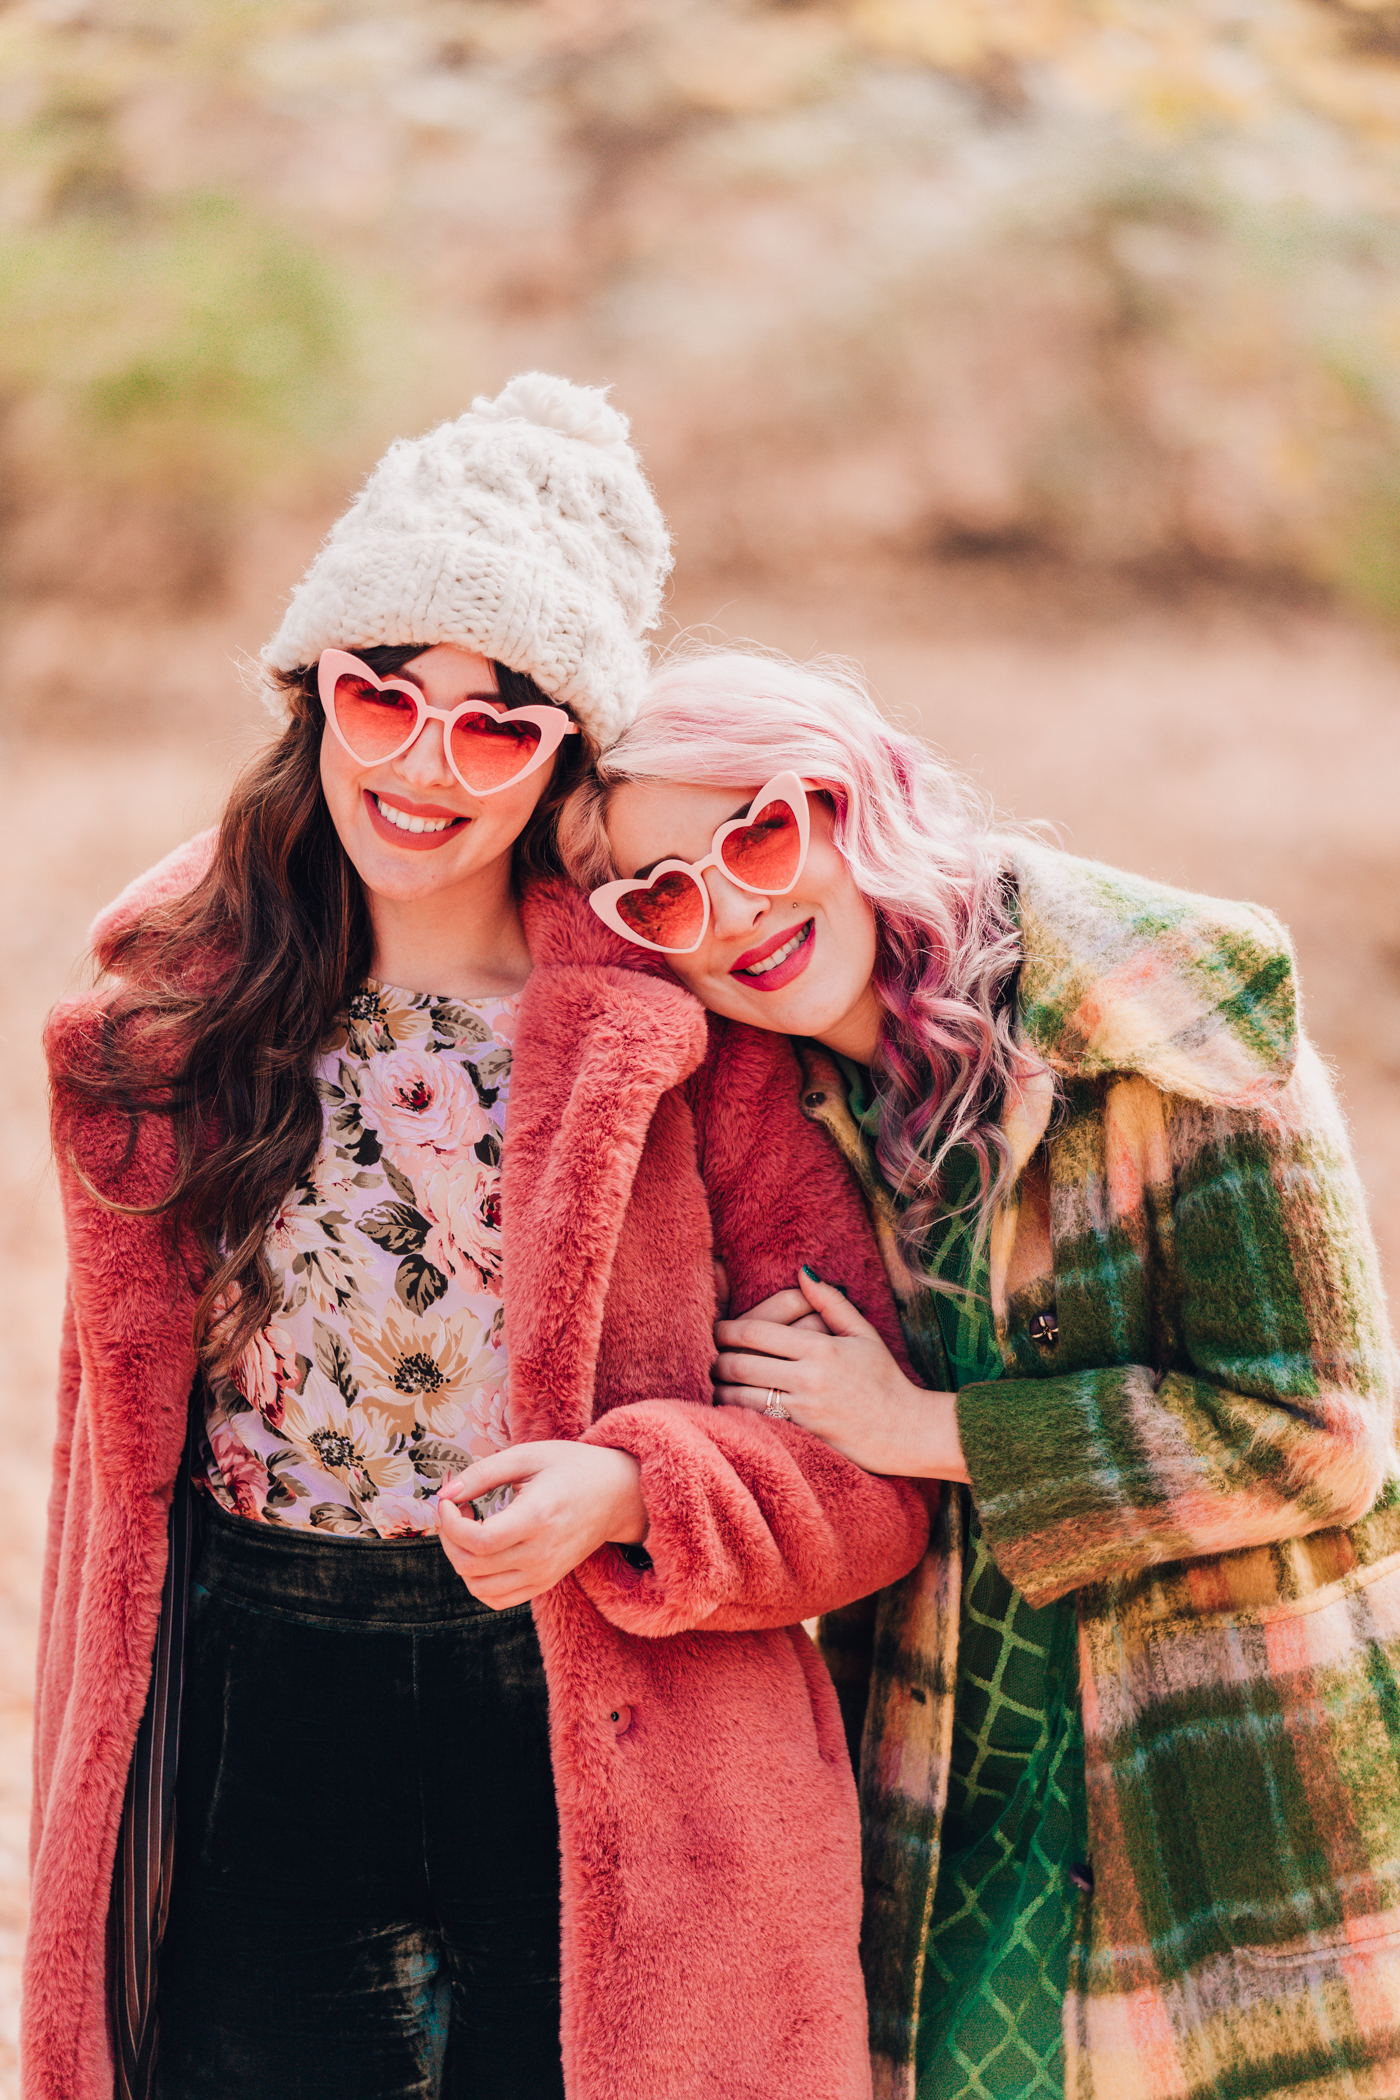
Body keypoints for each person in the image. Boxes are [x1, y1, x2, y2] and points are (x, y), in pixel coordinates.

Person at [28, 392, 932, 2100]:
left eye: (497, 727)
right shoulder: (170, 1035)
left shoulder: (686, 1039)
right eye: (383, 695)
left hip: (595, 1714)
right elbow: (119, 1480)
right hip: (255, 1707)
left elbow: (863, 1471)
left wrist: (641, 1492)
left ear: (569, 760)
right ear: (315, 703)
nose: (423, 767)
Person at [559, 647, 1400, 2100]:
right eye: (668, 894)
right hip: (946, 1748)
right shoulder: (777, 1108)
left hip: (1214, 1755)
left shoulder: (1164, 1027)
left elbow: (1318, 1435)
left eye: (764, 829)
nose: (738, 909)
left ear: (856, 799)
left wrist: (922, 1426)